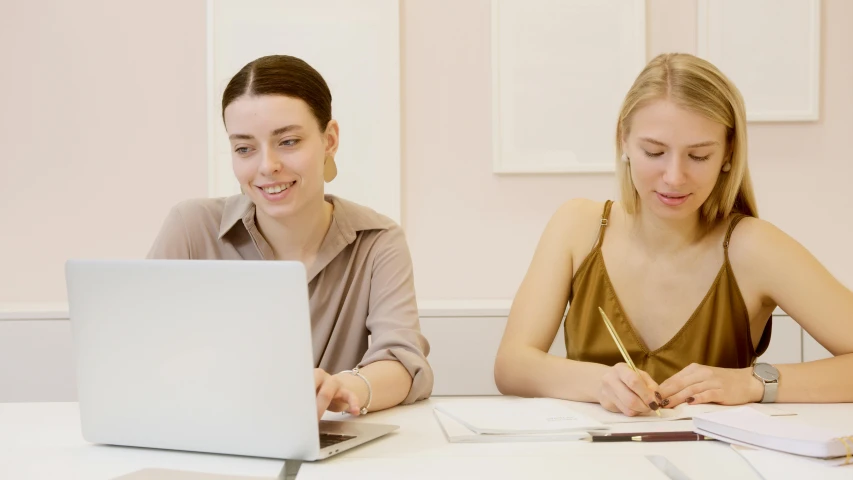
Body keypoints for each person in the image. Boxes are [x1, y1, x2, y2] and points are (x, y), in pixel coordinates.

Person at [494, 53, 853, 416]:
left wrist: (753, 383)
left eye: (698, 156)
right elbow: (511, 366)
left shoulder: (755, 248)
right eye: (654, 152)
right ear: (624, 140)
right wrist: (599, 383)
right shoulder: (577, 227)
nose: (674, 177)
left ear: (728, 152)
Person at [148, 54, 433, 419]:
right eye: (244, 148)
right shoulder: (190, 227)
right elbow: (143, 350)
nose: (267, 166)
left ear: (329, 140)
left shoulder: (378, 241)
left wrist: (345, 388)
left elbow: (403, 361)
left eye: (288, 141)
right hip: (207, 439)